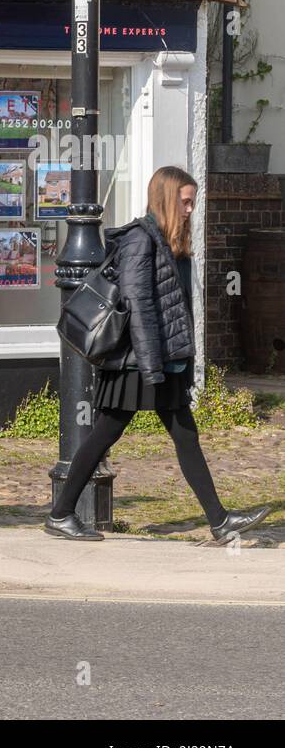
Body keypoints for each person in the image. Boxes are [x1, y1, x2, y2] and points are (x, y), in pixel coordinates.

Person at [45, 166, 269, 543]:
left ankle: (220, 520)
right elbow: (140, 306)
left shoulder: (169, 242)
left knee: (184, 435)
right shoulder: (140, 240)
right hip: (138, 360)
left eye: (192, 202)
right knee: (105, 433)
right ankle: (61, 513)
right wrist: (152, 367)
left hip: (162, 360)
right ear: (166, 198)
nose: (190, 209)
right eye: (185, 201)